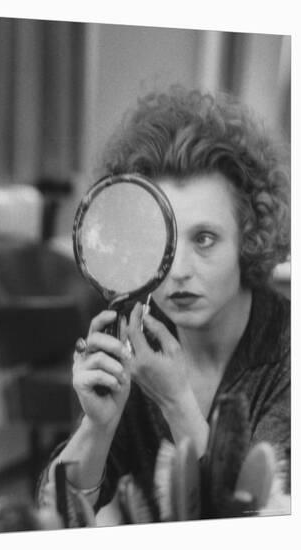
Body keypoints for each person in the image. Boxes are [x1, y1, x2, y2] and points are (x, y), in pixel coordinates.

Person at [36, 86, 290, 521]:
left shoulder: (287, 354)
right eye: (163, 242)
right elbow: (55, 514)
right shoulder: (138, 336)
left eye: (205, 239)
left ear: (248, 239)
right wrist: (98, 426)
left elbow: (262, 524)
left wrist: (176, 403)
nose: (178, 269)